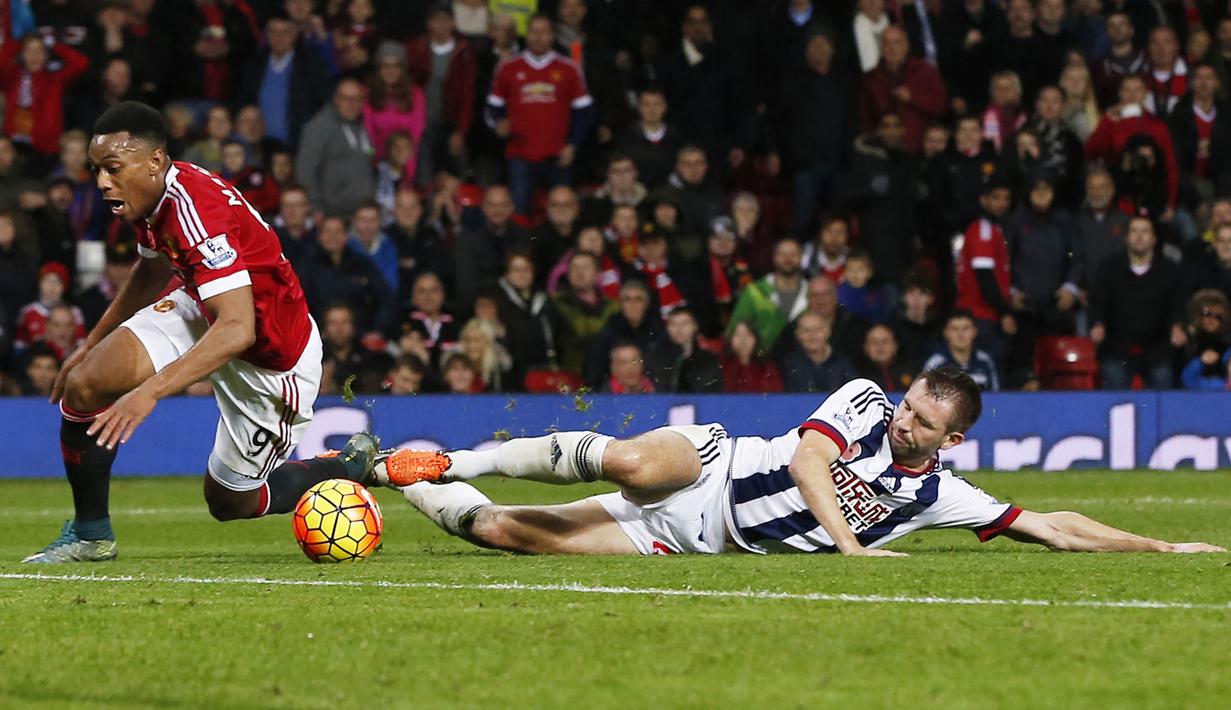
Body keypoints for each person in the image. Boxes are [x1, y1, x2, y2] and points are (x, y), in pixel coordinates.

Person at [23, 102, 384, 564]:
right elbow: (153, 270)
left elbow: (238, 329)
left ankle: (347, 467)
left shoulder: (196, 211)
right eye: (96, 170)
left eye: (112, 169)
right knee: (86, 383)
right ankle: (91, 536)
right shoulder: (151, 197)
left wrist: (149, 392)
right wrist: (91, 342)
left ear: (154, 161)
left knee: (230, 502)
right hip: (207, 308)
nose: (102, 183)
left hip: (271, 358)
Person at [378, 367, 1225, 556]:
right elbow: (815, 466)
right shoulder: (860, 400)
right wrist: (851, 547)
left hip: (697, 541)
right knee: (633, 460)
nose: (903, 425)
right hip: (710, 466)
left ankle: (400, 473)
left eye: (923, 425)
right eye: (907, 408)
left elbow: (1053, 525)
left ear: (949, 442)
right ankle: (455, 453)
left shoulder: (940, 496)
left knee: (499, 530)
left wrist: (1157, 548)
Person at [486, 14, 592, 215]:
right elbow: (492, 107)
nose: (538, 37)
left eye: (544, 32)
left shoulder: (569, 69)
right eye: (534, 31)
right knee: (519, 212)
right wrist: (498, 123)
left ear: (553, 36)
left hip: (558, 156)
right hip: (520, 155)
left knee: (561, 212)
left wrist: (573, 144)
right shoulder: (507, 67)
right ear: (527, 34)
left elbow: (584, 111)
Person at [1089, 216, 1187, 390]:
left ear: (1154, 238)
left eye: (1145, 231)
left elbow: (1177, 304)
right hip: (1117, 348)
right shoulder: (1109, 268)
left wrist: (1177, 326)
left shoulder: (1169, 270)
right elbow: (1098, 302)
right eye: (1134, 231)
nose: (1139, 236)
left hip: (1157, 348)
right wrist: (1098, 323)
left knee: (1162, 377)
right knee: (1114, 378)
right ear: (1127, 237)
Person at [296, 79, 376, 219]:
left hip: (363, 213)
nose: (351, 104)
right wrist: (315, 207)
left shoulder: (364, 126)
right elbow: (305, 169)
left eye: (356, 99)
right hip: (332, 215)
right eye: (346, 98)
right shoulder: (319, 127)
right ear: (336, 99)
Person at [781, 311, 858, 393]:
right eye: (806, 330)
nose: (812, 335)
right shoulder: (788, 365)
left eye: (818, 330)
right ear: (797, 334)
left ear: (828, 332)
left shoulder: (843, 363)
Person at [923, 310, 1000, 391]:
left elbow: (995, 396)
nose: (960, 334)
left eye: (966, 328)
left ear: (975, 332)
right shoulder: (935, 364)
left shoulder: (986, 362)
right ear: (945, 333)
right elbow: (925, 397)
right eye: (954, 329)